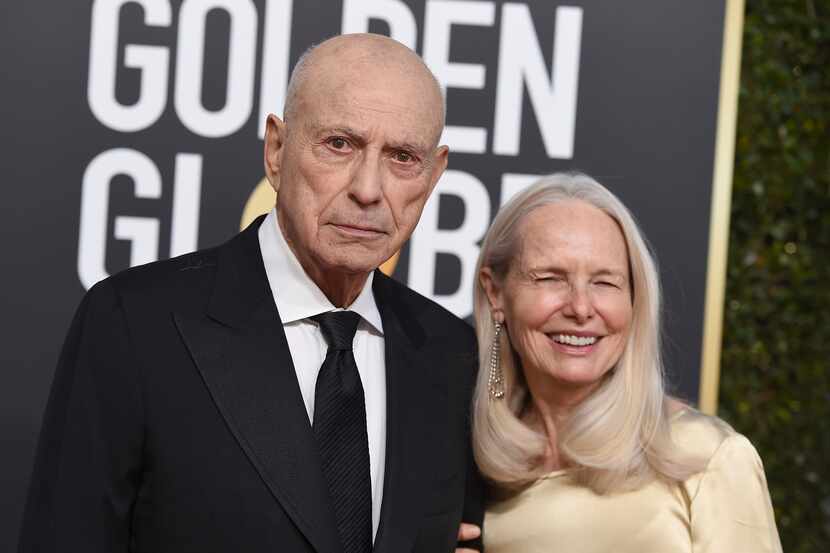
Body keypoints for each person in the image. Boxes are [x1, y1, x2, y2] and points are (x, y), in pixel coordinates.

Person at [18, 33, 483, 553]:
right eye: (339, 144)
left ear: (434, 173)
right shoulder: (134, 324)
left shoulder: (452, 356)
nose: (368, 189)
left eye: (402, 157)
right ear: (277, 151)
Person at [467, 172, 782, 552]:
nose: (581, 308)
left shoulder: (704, 455)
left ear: (635, 301)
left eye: (605, 282)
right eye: (551, 278)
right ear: (496, 292)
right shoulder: (469, 468)